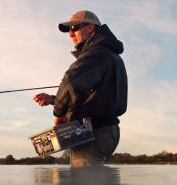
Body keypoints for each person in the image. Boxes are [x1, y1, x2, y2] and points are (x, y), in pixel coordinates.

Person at [33, 10, 127, 168]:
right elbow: (95, 97)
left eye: (74, 28)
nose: (70, 34)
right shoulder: (109, 54)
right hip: (106, 130)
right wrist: (54, 100)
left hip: (93, 133)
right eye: (68, 30)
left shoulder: (97, 52)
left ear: (90, 28)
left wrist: (59, 113)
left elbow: (70, 82)